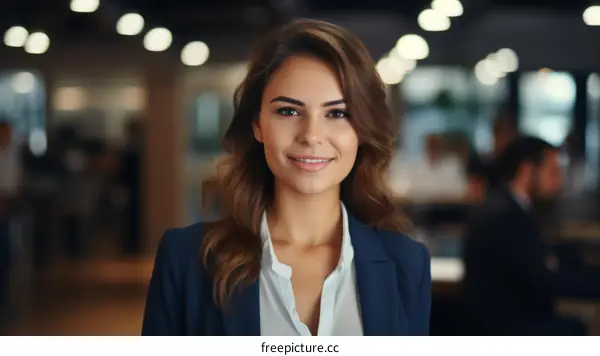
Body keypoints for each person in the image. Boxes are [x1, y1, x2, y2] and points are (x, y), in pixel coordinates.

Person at [142, 19, 432, 336]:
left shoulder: (407, 263)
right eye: (289, 111)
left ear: (361, 130)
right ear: (257, 124)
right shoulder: (185, 260)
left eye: (337, 113)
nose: (311, 135)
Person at [463, 136, 596, 335]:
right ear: (527, 171)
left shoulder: (508, 207)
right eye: (552, 171)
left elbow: (542, 263)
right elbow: (543, 280)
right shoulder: (507, 216)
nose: (558, 181)